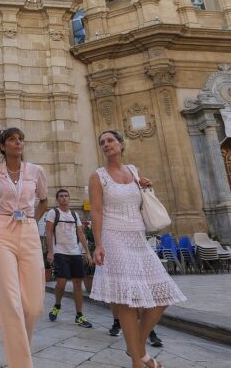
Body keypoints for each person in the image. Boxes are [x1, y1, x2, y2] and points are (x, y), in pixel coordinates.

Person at [89, 130, 186, 368]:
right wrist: (99, 243)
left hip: (138, 238)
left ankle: (137, 348)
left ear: (121, 144)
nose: (106, 145)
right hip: (113, 238)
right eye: (102, 142)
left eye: (110, 140)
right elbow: (97, 211)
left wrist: (147, 187)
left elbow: (142, 201)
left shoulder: (134, 171)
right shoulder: (98, 176)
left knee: (162, 297)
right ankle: (138, 361)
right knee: (127, 301)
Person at [0, 127, 48, 368]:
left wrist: (33, 220)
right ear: (2, 146)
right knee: (10, 300)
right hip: (2, 229)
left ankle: (19, 356)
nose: (18, 142)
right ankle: (21, 364)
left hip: (28, 229)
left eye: (21, 138)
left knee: (33, 306)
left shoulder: (36, 171)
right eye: (12, 139)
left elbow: (44, 200)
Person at [45, 188, 94, 328]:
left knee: (78, 283)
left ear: (69, 198)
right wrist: (50, 251)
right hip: (60, 252)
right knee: (61, 282)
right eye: (61, 196)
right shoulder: (53, 212)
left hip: (75, 253)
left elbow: (81, 234)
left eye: (66, 196)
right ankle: (57, 305)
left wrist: (87, 252)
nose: (64, 198)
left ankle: (79, 315)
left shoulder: (74, 214)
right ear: (57, 199)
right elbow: (48, 232)